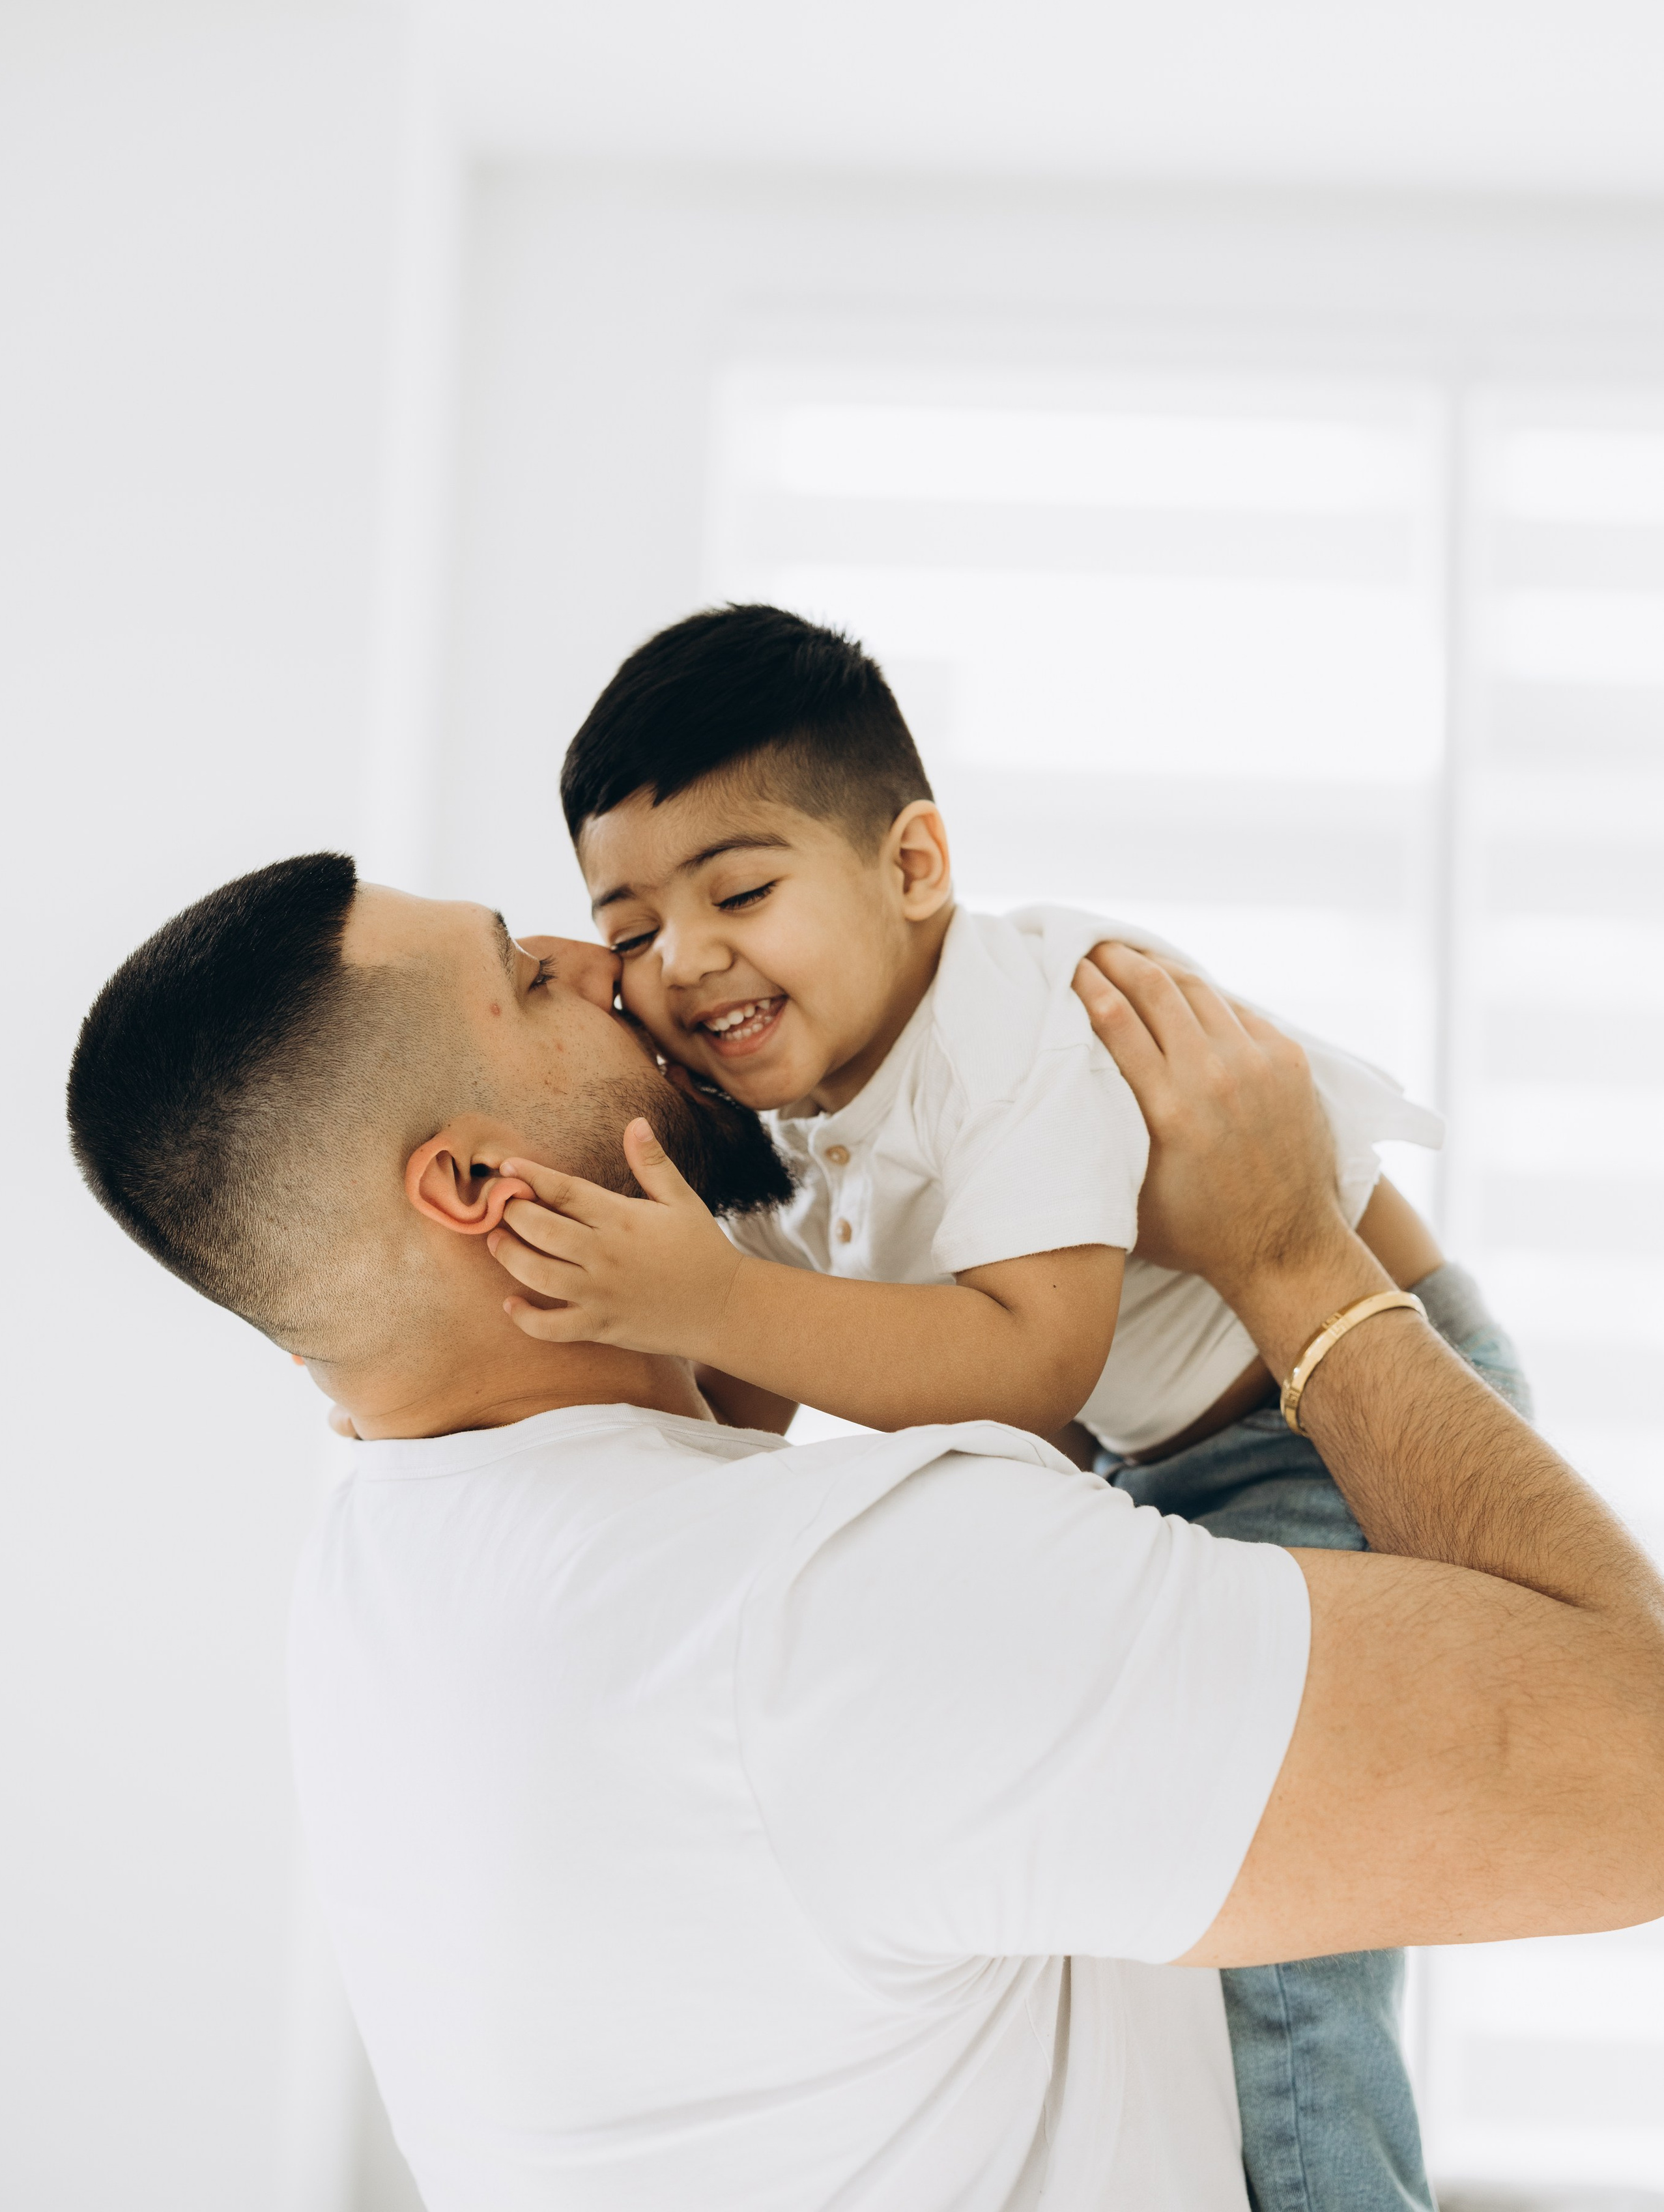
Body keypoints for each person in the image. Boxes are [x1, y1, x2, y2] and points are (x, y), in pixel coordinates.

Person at [66, 853, 1664, 2212]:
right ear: (480, 1183)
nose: (598, 960)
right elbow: (1638, 1776)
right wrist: (1291, 1257)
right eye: (524, 977)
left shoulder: (384, 1580)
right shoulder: (820, 1611)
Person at [509, 603, 1525, 2210]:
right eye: (623, 924)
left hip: (1330, 1407)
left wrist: (699, 1298)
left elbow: (1024, 1358)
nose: (680, 959)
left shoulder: (1026, 1021)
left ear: (914, 868)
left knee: (1290, 1969)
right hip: (1158, 1447)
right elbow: (760, 1390)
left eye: (741, 890)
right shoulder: (793, 1097)